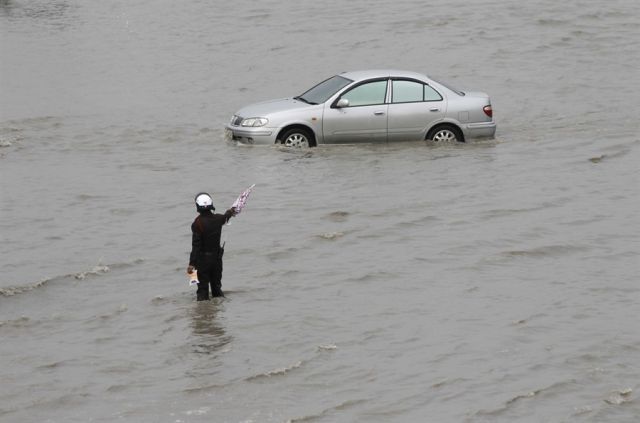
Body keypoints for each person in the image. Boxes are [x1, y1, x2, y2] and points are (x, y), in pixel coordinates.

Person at [187, 192, 236, 300]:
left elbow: (196, 246)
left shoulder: (197, 223)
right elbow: (226, 216)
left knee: (203, 291)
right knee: (217, 288)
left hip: (203, 261)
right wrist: (230, 211)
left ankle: (203, 314)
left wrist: (191, 264)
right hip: (217, 260)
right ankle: (219, 313)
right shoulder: (218, 219)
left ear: (197, 206)